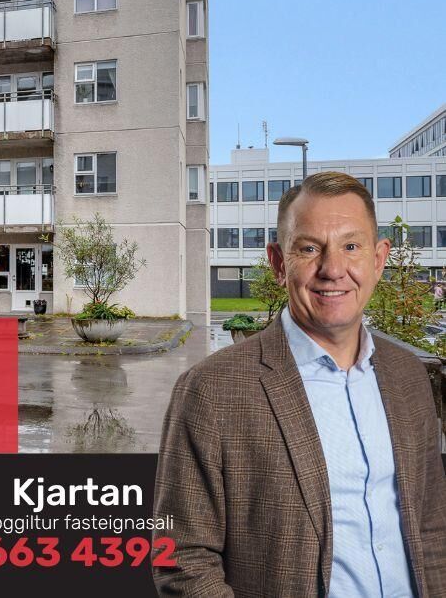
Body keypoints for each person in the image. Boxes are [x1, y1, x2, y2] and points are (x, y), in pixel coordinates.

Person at [154, 171, 446, 597]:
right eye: (309, 249)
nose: (333, 269)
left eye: (351, 247)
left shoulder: (409, 376)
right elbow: (182, 558)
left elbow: (432, 524)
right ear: (278, 263)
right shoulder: (211, 390)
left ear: (379, 259)